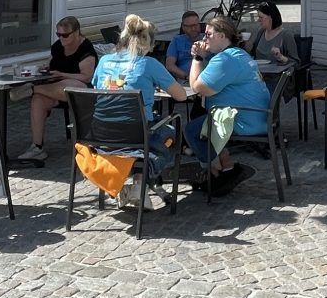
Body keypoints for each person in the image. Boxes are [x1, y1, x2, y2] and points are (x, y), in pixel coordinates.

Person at [92, 14, 187, 209]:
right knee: (171, 135)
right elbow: (181, 96)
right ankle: (141, 182)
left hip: (101, 136)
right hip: (137, 135)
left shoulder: (104, 61)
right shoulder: (149, 64)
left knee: (147, 132)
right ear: (148, 43)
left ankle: (136, 185)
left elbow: (97, 89)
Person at [184, 16, 269, 194]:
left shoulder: (225, 60)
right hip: (259, 116)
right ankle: (227, 166)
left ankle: (215, 174)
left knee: (192, 130)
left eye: (208, 34)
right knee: (201, 115)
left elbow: (198, 87)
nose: (204, 38)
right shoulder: (238, 54)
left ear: (222, 36)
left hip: (245, 120)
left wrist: (197, 58)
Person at [18, 16, 97, 162]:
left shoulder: (86, 49)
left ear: (76, 32)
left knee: (68, 84)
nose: (61, 38)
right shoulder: (57, 47)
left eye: (65, 35)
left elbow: (86, 77)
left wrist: (62, 74)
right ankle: (37, 147)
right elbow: (52, 64)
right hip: (54, 90)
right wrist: (45, 68)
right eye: (58, 34)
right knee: (38, 100)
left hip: (82, 92)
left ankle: (33, 89)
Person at [249, 1, 299, 66]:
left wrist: (281, 57)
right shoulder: (261, 32)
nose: (258, 20)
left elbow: (295, 63)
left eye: (261, 17)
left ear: (271, 17)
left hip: (276, 72)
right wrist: (247, 46)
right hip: (258, 71)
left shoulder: (286, 35)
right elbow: (253, 54)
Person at [165, 11, 202, 80]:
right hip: (184, 79)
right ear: (183, 27)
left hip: (205, 79)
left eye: (195, 25)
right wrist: (186, 77)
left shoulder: (207, 39)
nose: (193, 29)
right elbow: (170, 65)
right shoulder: (177, 41)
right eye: (190, 26)